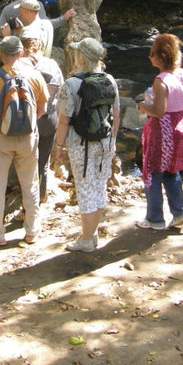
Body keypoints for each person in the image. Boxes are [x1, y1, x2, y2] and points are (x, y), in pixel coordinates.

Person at [0, 36, 50, 246]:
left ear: (1, 54)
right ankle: (31, 231)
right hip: (28, 138)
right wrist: (28, 124)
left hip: (1, 137)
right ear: (21, 54)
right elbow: (43, 109)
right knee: (30, 184)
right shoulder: (35, 76)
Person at [53, 37, 120, 252]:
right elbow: (116, 115)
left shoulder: (71, 84)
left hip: (80, 145)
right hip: (105, 143)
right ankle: (92, 235)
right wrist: (113, 142)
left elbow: (64, 120)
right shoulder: (109, 79)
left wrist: (59, 147)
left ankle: (86, 239)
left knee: (85, 189)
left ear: (81, 57)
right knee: (99, 186)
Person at [136, 33, 183, 230]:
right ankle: (180, 212)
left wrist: (142, 107)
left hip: (163, 133)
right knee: (172, 171)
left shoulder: (161, 80)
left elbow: (159, 111)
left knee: (153, 173)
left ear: (162, 56)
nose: (150, 57)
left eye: (152, 53)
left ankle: (155, 219)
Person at [16, 27, 63, 203]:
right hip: (49, 119)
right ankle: (41, 196)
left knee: (26, 164)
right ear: (41, 46)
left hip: (26, 119)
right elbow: (61, 92)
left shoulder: (19, 65)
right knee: (42, 162)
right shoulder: (52, 65)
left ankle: (27, 201)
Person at [1, 0, 76, 57]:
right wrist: (64, 17)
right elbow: (53, 23)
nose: (20, 15)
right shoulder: (47, 24)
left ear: (27, 12)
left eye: (21, 12)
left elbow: (19, 55)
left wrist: (7, 37)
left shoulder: (28, 31)